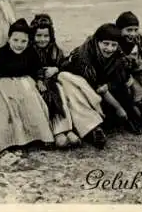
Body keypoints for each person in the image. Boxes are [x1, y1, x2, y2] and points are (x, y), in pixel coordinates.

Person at [0, 18, 55, 154]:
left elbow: (37, 68)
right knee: (3, 112)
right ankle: (9, 140)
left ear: (28, 41)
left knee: (32, 105)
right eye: (15, 40)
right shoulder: (0, 54)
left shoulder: (30, 52)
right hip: (2, 85)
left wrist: (39, 80)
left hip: (24, 83)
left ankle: (36, 137)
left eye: (23, 41)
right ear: (9, 39)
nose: (19, 45)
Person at [30, 14, 107, 149]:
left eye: (46, 36)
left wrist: (56, 69)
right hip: (40, 85)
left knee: (68, 85)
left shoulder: (54, 50)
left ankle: (85, 127)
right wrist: (40, 76)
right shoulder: (29, 51)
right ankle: (61, 131)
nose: (42, 40)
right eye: (38, 36)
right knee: (56, 94)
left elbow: (63, 63)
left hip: (55, 82)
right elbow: (27, 68)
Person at [63, 23, 142, 135]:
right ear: (97, 41)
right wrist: (118, 108)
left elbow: (119, 79)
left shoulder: (118, 55)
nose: (109, 49)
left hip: (102, 89)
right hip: (81, 87)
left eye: (113, 45)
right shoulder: (83, 56)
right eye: (105, 44)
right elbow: (96, 86)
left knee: (123, 94)